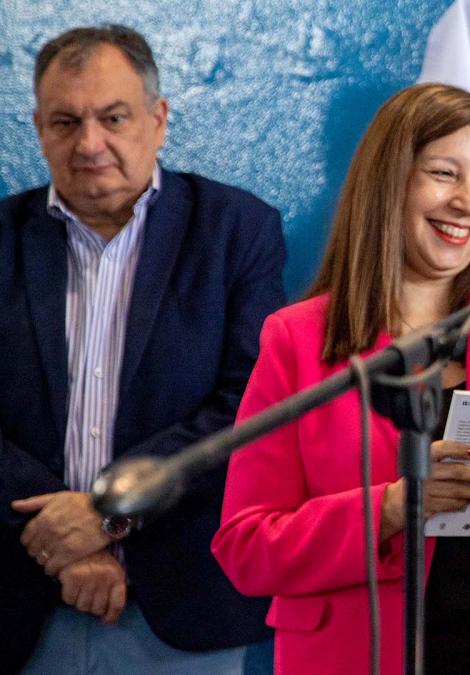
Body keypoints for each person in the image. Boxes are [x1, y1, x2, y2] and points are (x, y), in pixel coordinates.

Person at [211, 82, 470, 675]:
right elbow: (246, 548)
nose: (468, 201)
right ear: (390, 183)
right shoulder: (296, 340)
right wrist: (390, 508)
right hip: (359, 654)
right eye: (443, 173)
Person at [0, 25, 284, 674]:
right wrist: (62, 540)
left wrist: (107, 515)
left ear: (158, 120)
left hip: (184, 606)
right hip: (19, 599)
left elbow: (251, 405)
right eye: (66, 121)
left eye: (113, 116)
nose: (90, 142)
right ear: (39, 127)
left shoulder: (238, 231)